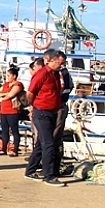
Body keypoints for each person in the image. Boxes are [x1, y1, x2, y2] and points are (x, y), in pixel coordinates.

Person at [24, 50, 65, 187]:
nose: (62, 65)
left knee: (41, 143)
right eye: (60, 63)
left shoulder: (56, 74)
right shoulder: (42, 74)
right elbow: (30, 92)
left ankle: (30, 170)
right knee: (48, 144)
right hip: (42, 112)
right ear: (51, 61)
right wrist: (34, 105)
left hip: (53, 111)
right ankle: (49, 175)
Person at [0, 65, 24, 157]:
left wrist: (4, 95)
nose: (7, 77)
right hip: (4, 110)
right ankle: (4, 149)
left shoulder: (18, 84)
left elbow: (11, 95)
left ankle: (15, 150)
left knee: (14, 130)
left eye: (9, 76)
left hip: (13, 111)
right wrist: (5, 94)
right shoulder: (6, 85)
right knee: (4, 130)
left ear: (14, 76)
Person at [54, 63, 74, 175]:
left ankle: (53, 167)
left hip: (57, 106)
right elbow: (70, 87)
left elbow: (63, 87)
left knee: (54, 137)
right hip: (61, 105)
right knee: (57, 138)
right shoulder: (66, 73)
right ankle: (54, 166)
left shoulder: (60, 73)